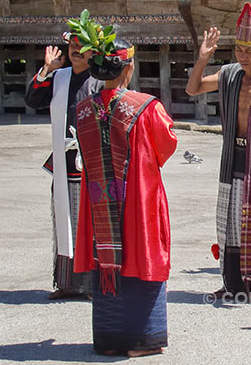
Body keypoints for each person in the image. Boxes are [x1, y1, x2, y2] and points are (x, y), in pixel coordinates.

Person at [74, 34, 177, 357]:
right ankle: (141, 341)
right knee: (142, 254)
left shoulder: (82, 110)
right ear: (128, 68)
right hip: (138, 199)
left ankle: (109, 339)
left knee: (107, 258)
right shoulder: (146, 107)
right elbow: (167, 145)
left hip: (99, 199)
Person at [185, 3, 251, 304]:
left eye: (249, 49)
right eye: (238, 49)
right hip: (232, 157)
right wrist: (203, 58)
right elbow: (193, 89)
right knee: (230, 222)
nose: (242, 56)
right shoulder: (229, 74)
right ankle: (233, 285)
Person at [25, 17, 104, 301]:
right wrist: (46, 69)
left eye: (82, 45)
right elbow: (32, 101)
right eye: (72, 44)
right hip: (64, 159)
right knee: (64, 221)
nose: (76, 50)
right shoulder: (58, 77)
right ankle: (67, 283)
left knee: (91, 224)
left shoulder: (100, 81)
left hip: (91, 163)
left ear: (93, 51)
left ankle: (92, 285)